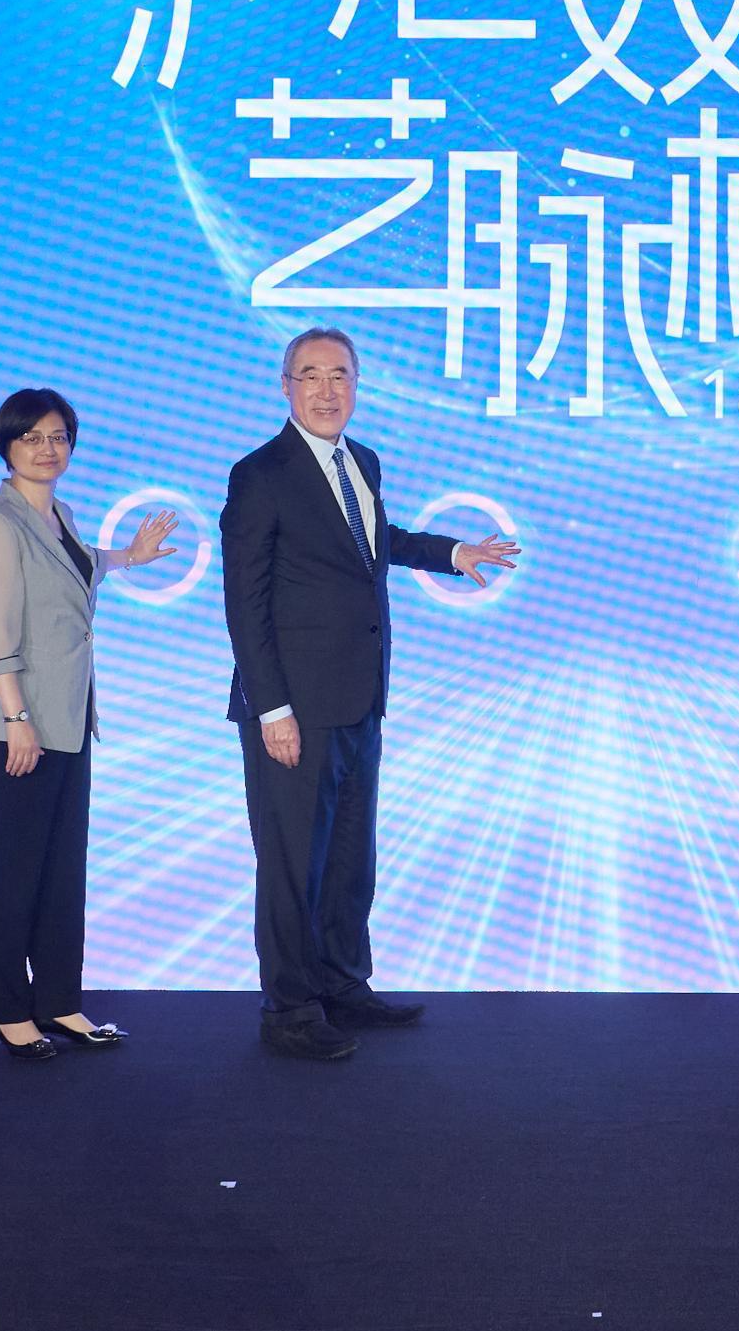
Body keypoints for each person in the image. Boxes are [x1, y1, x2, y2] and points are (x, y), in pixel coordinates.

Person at [219, 327, 523, 1061]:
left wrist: (452, 552)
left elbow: (373, 543)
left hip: (360, 696)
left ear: (357, 384)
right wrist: (273, 708)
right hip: (293, 708)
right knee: (292, 864)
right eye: (311, 375)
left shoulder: (362, 460)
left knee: (349, 856)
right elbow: (244, 602)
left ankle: (341, 985)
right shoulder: (260, 474)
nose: (327, 390)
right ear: (285, 386)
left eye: (341, 376)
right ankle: (290, 1009)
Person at [0, 386, 180, 1062]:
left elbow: (77, 567)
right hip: (18, 726)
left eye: (58, 436)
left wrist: (127, 556)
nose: (47, 448)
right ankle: (9, 1011)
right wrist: (16, 716)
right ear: (6, 445)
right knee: (14, 874)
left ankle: (59, 999)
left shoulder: (59, 515)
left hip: (70, 720)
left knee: (61, 872)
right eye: (32, 437)